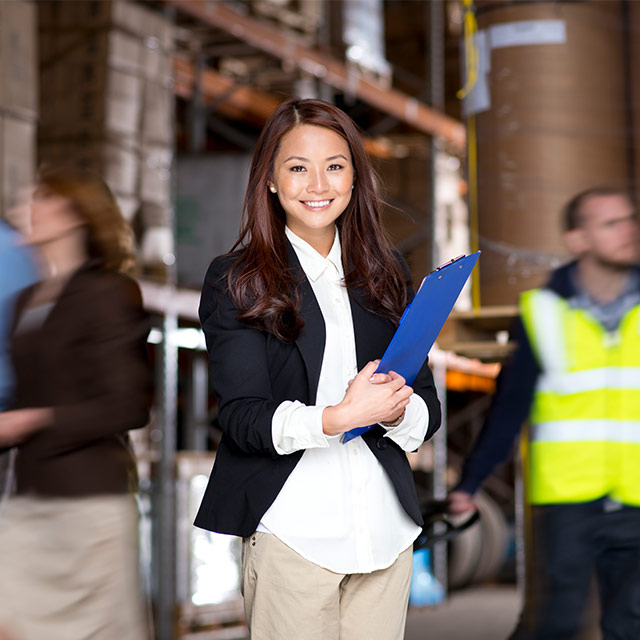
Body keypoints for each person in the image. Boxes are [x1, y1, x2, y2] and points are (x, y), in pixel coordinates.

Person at [195, 97, 441, 640]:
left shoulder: (385, 272)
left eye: (335, 166)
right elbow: (243, 419)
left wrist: (394, 411)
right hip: (293, 531)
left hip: (385, 531)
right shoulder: (239, 278)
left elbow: (426, 407)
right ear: (271, 182)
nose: (318, 184)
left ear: (355, 178)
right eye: (297, 168)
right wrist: (338, 416)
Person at [449, 187, 640, 639]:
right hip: (568, 498)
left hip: (636, 494)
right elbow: (510, 406)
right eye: (611, 223)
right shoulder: (544, 312)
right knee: (557, 623)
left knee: (631, 622)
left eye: (630, 219)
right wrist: (472, 481)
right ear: (577, 240)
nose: (628, 230)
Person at [0, 170, 152, 640]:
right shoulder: (27, 300)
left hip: (88, 502)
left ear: (76, 215)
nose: (31, 210)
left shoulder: (108, 293)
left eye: (44, 200)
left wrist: (33, 420)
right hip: (30, 495)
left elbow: (127, 405)